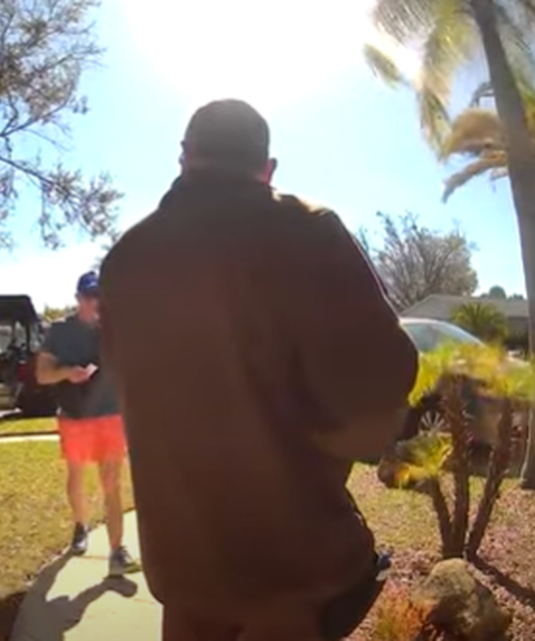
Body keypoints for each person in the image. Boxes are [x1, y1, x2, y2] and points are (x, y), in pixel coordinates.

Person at [98, 100, 419, 640]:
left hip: (181, 571)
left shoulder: (125, 259)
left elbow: (123, 381)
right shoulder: (308, 231)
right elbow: (379, 387)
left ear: (184, 158)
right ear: (268, 169)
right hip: (290, 575)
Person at [35, 271, 141, 578]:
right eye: (90, 296)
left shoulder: (114, 330)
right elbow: (42, 374)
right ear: (78, 298)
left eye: (101, 296)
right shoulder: (60, 331)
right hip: (74, 417)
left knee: (112, 484)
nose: (96, 302)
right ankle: (80, 526)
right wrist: (67, 372)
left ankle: (117, 552)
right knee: (77, 477)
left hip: (110, 416)